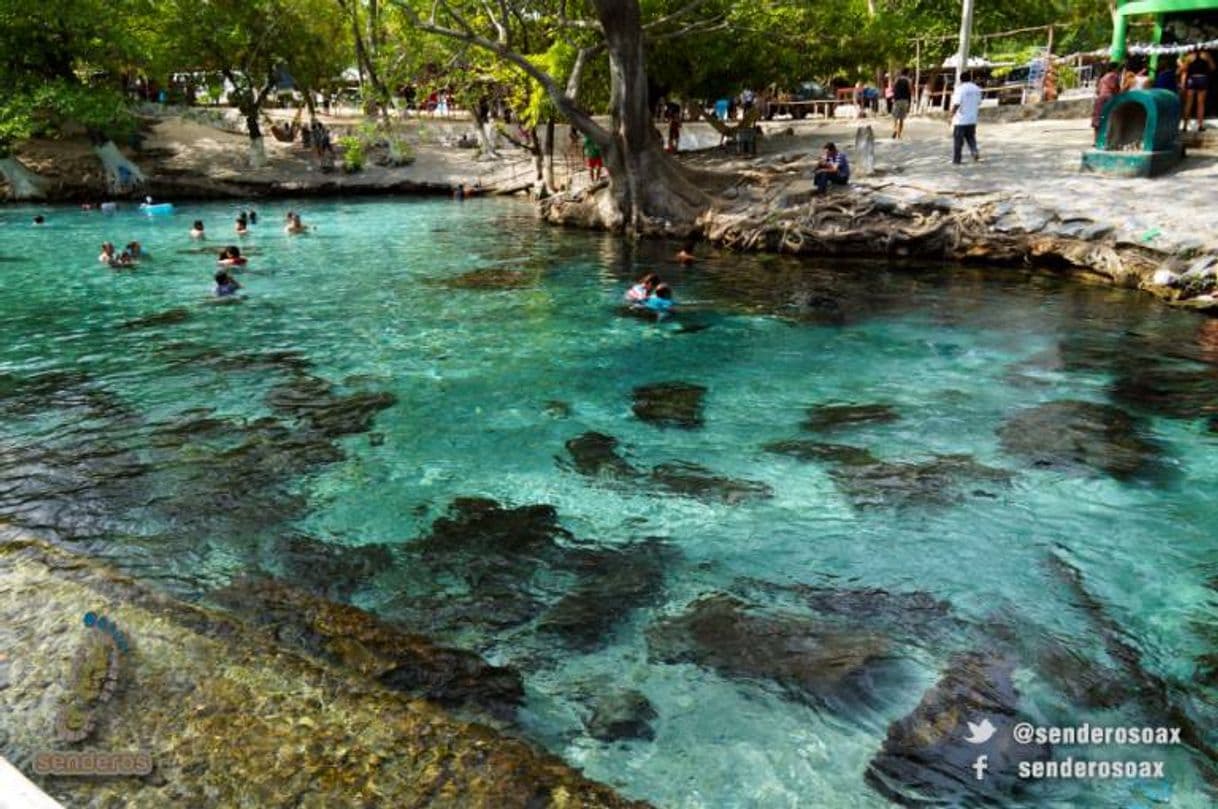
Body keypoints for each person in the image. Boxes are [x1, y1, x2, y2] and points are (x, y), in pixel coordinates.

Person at [950, 71, 983, 164]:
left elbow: (956, 103)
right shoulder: (976, 89)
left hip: (961, 120)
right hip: (972, 118)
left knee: (958, 141)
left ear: (961, 79)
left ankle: (957, 160)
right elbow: (979, 102)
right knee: (971, 138)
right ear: (970, 78)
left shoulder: (960, 89)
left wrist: (951, 114)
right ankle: (974, 151)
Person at [1182, 49, 1215, 132]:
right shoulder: (1206, 55)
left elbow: (1184, 69)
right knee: (1201, 104)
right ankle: (1200, 126)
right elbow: (1213, 67)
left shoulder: (1189, 56)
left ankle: (1185, 126)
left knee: (1188, 103)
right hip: (1202, 79)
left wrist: (1181, 63)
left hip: (1192, 79)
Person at [1092, 63, 1122, 144]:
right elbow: (1115, 88)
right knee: (1110, 118)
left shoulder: (1103, 77)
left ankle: (1096, 141)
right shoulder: (1113, 76)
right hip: (1108, 99)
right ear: (1115, 69)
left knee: (1098, 119)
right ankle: (1108, 140)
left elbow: (1097, 91)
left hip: (1100, 99)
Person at [892, 68, 913, 140]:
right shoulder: (909, 80)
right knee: (901, 119)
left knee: (895, 117)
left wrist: (894, 97)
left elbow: (893, 89)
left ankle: (895, 129)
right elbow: (910, 91)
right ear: (907, 73)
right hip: (905, 100)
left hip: (897, 100)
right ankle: (899, 134)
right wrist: (910, 102)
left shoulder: (897, 79)